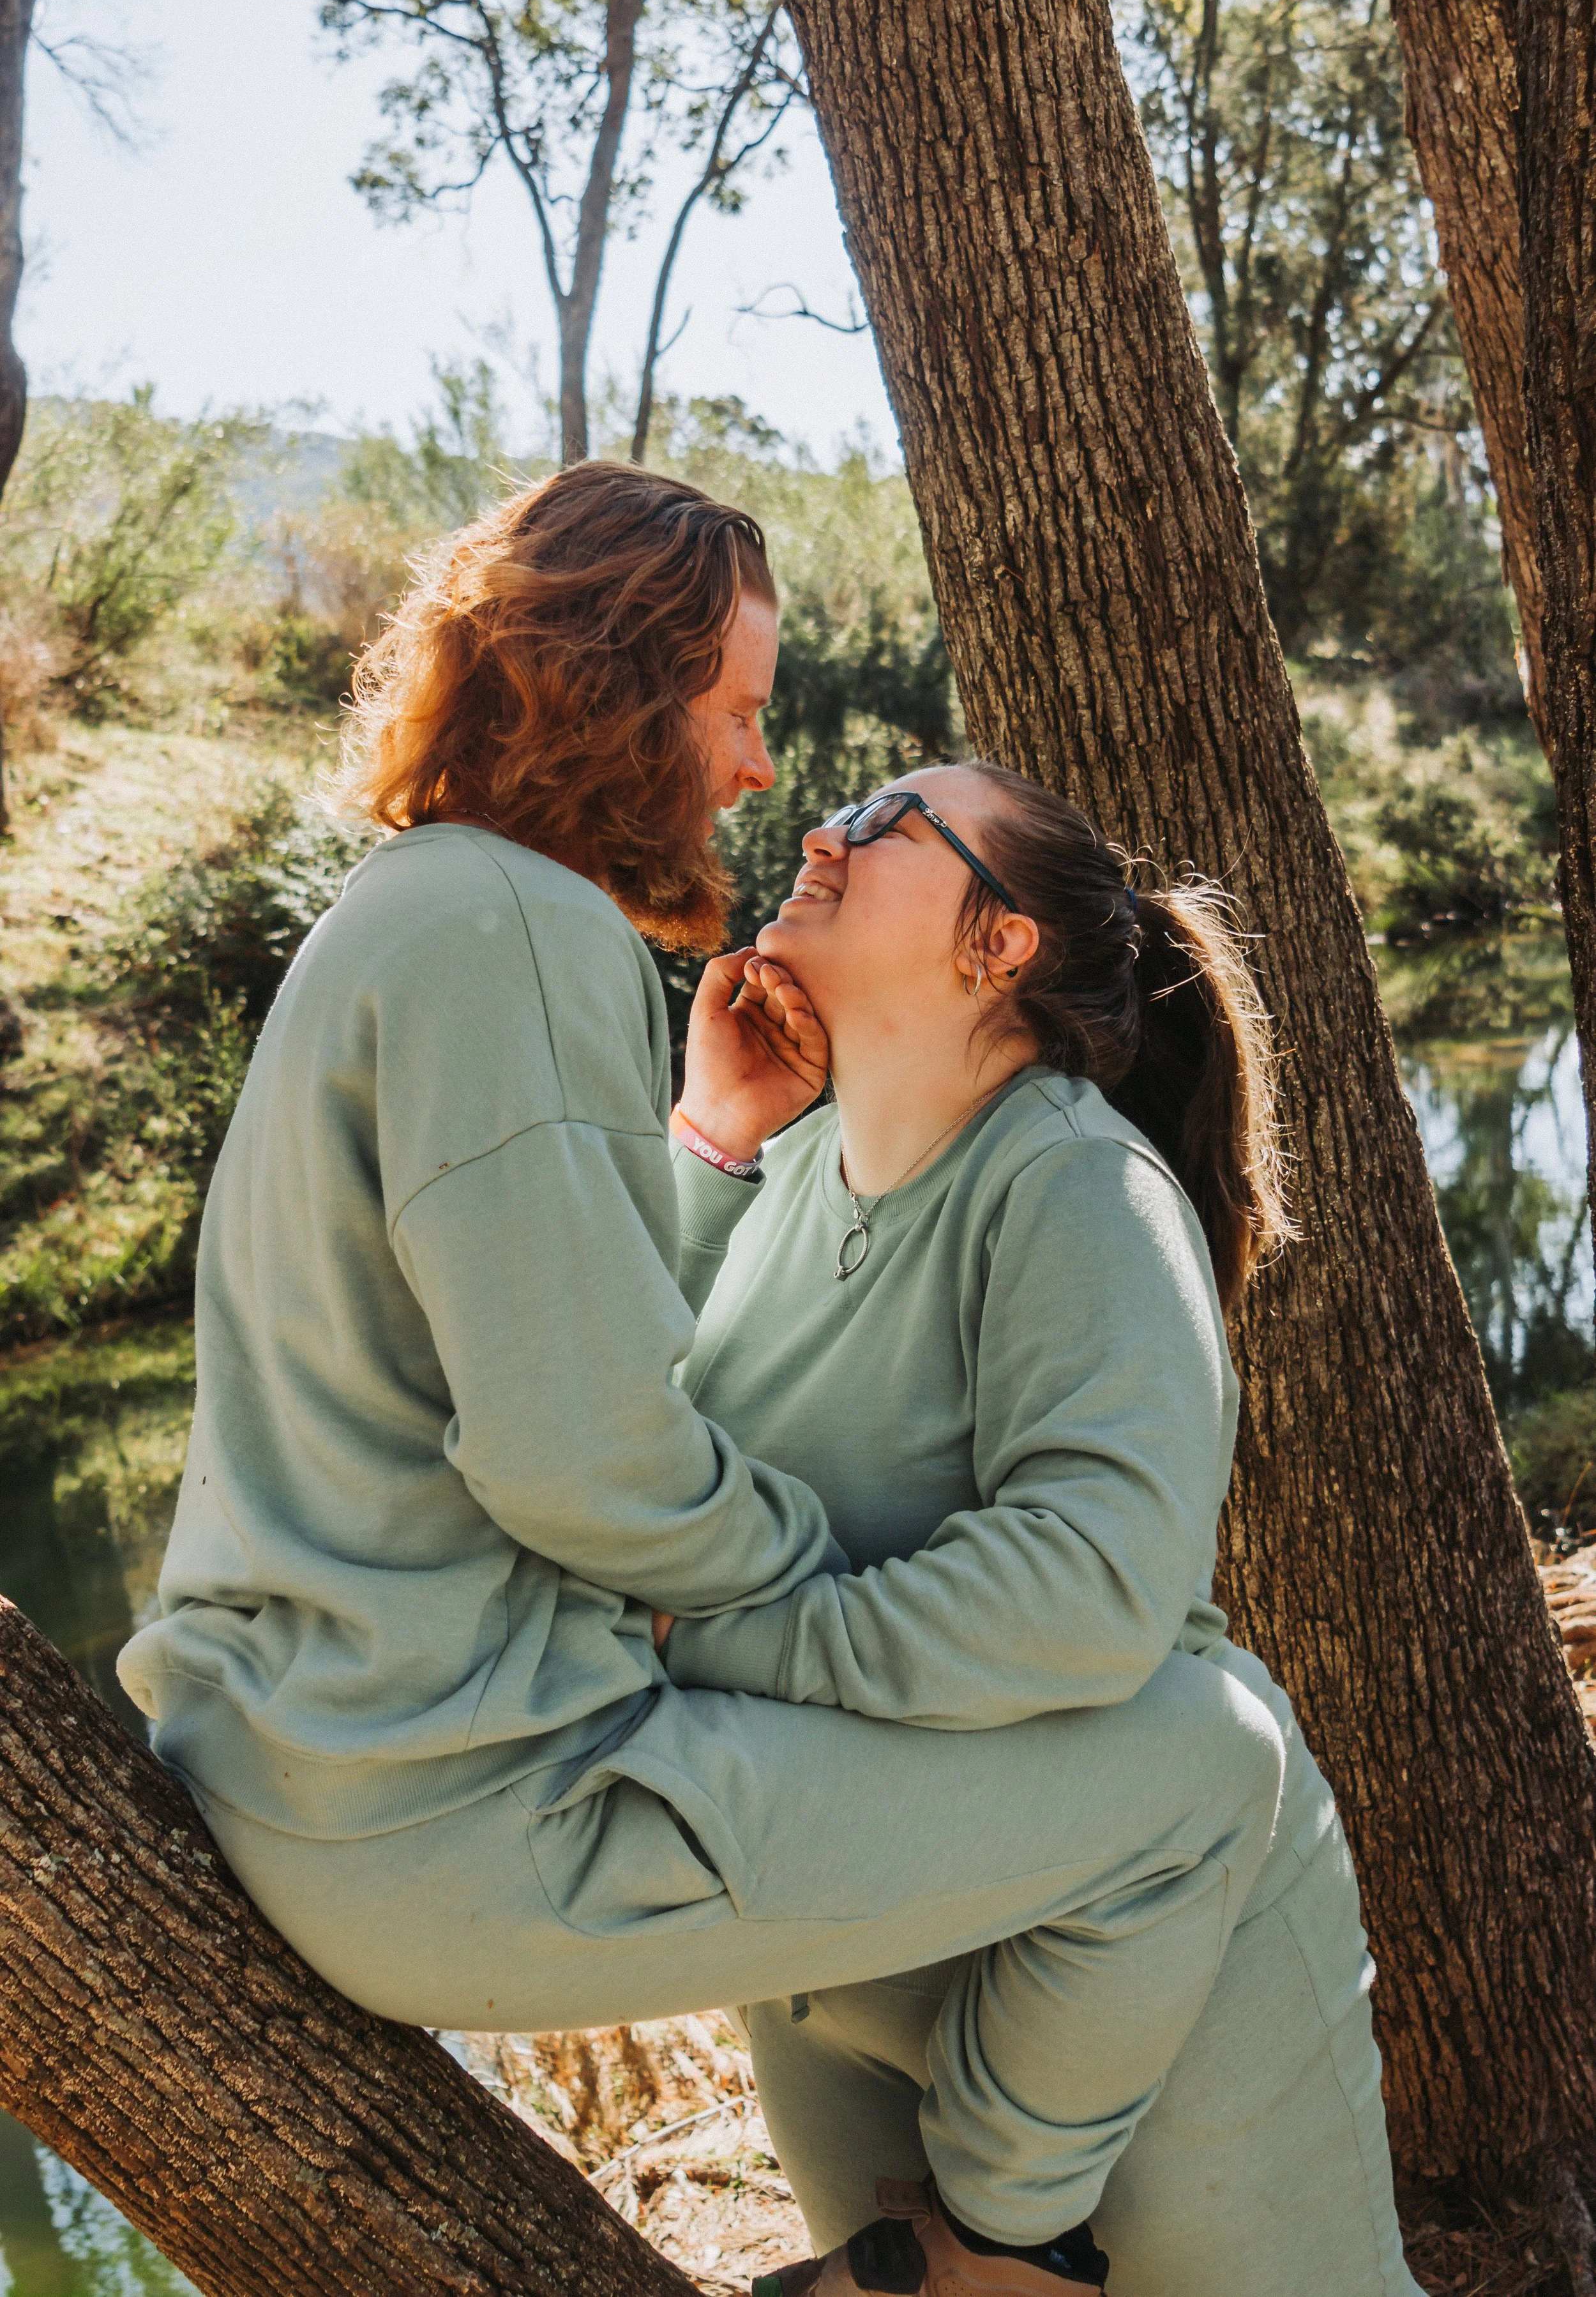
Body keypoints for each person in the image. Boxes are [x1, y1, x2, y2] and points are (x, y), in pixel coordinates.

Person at [119, 463, 1286, 2297]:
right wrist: (793, 1604)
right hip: (469, 1813)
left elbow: (535, 1345)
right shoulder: (520, 927)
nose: (756, 770)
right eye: (736, 711)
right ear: (614, 686)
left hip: (317, 1763)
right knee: (1209, 1760)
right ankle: (982, 2257)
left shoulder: (418, 907)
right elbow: (582, 1451)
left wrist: (710, 1136)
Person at [665, 761, 1422, 2297]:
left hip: (1129, 1965)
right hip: (845, 1936)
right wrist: (710, 1135)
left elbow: (1088, 1589)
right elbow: (621, 1431)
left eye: (882, 822)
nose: (819, 832)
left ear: (995, 944)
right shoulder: (784, 1166)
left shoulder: (1074, 1182)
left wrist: (727, 1636)